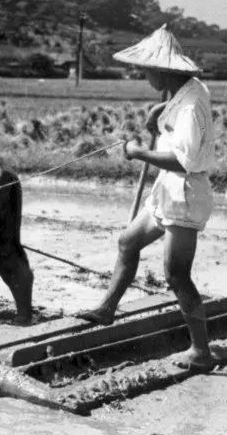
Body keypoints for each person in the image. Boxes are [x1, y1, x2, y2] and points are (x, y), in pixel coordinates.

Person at [77, 26, 217, 372]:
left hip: (185, 191)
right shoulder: (184, 92)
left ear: (164, 70)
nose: (143, 76)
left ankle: (201, 352)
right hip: (168, 189)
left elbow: (183, 161)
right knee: (127, 243)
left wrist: (139, 152)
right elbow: (182, 106)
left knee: (176, 274)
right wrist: (161, 109)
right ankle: (107, 309)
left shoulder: (190, 107)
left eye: (146, 70)